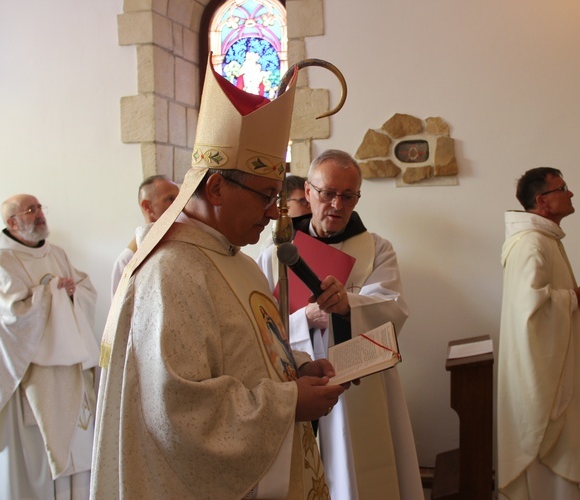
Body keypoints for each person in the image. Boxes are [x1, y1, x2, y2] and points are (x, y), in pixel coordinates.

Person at [91, 61, 346, 499]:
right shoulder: (171, 272)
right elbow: (179, 409)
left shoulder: (237, 259)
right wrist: (289, 405)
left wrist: (297, 367)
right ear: (215, 189)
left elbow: (253, 352)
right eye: (266, 196)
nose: (274, 213)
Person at [257, 149, 423, 500]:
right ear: (307, 191)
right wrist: (305, 318)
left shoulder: (377, 249)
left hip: (362, 386)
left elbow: (394, 309)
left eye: (349, 196)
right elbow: (259, 320)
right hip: (298, 378)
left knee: (362, 471)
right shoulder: (276, 252)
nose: (337, 204)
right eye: (328, 193)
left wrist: (349, 305)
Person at [497, 167, 580, 499]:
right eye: (563, 188)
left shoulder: (544, 238)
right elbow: (529, 310)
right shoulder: (530, 243)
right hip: (548, 374)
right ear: (542, 201)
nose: (571, 193)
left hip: (563, 359)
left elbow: (545, 301)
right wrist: (578, 297)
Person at [0, 194, 99, 499]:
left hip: (67, 372)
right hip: (26, 379)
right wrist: (49, 293)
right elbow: (11, 317)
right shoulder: (1, 263)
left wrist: (70, 293)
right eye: (30, 210)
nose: (39, 214)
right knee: (34, 464)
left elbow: (85, 290)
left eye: (40, 207)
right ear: (12, 223)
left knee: (76, 451)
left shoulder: (57, 254)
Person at [110, 174, 179, 297]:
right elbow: (120, 313)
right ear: (148, 206)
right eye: (170, 199)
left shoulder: (185, 243)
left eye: (179, 198)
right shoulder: (127, 261)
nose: (180, 205)